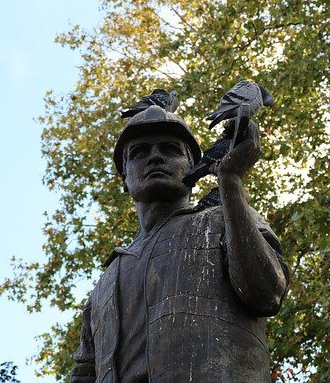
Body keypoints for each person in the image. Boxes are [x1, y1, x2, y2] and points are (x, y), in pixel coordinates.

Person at [71, 104, 290, 382]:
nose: (155, 158)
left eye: (170, 149)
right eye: (139, 153)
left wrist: (230, 179)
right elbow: (84, 373)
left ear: (192, 168)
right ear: (124, 178)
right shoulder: (104, 284)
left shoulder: (223, 219)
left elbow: (266, 293)